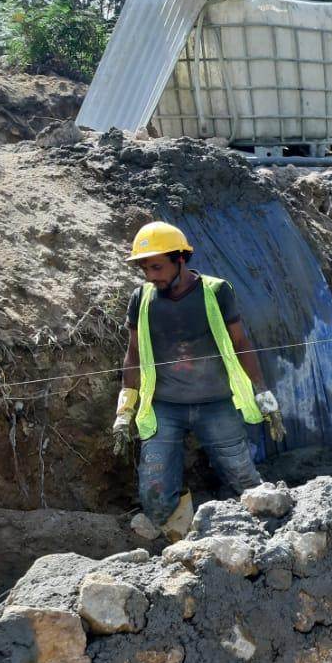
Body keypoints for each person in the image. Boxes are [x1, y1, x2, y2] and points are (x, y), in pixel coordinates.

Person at [112, 222, 286, 542]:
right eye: (144, 268)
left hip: (216, 404)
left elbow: (240, 343)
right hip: (164, 408)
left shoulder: (216, 292)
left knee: (244, 478)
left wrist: (263, 393)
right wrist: (126, 408)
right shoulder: (141, 299)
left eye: (156, 266)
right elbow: (133, 353)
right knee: (154, 491)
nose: (151, 275)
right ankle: (172, 547)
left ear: (180, 259)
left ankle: (269, 535)